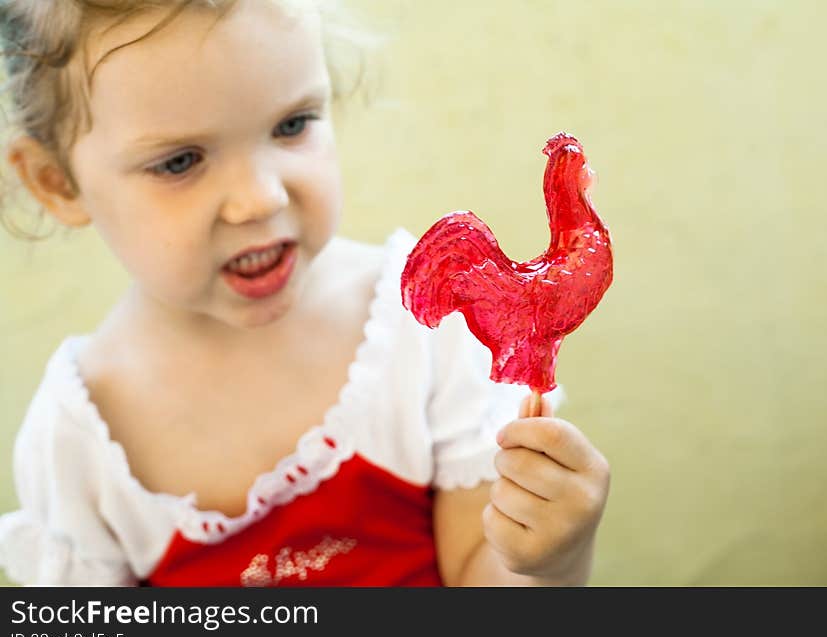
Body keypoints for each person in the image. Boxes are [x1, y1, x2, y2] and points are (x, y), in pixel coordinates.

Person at [0, 0, 609, 586]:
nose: (262, 198)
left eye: (291, 124)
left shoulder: (424, 331)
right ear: (58, 184)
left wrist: (550, 562)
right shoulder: (78, 437)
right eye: (180, 162)